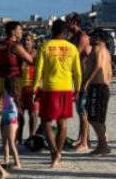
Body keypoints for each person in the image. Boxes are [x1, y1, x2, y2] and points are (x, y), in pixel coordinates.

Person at [33, 19, 82, 168]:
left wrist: (35, 87)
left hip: (49, 89)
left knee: (46, 122)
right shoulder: (72, 48)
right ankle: (58, 155)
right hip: (66, 89)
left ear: (52, 31)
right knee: (63, 122)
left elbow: (38, 70)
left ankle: (54, 152)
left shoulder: (45, 46)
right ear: (64, 32)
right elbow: (78, 72)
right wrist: (78, 89)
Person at [83, 29, 114, 157]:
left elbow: (97, 66)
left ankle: (103, 146)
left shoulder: (98, 50)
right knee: (97, 118)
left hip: (98, 87)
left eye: (92, 36)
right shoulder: (106, 50)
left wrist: (86, 83)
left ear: (98, 38)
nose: (89, 38)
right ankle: (102, 145)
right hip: (102, 87)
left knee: (94, 118)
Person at [0, 21, 33, 110]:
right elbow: (31, 60)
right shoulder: (15, 46)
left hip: (1, 80)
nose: (21, 31)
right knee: (14, 109)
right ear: (13, 32)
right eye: (19, 29)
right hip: (13, 82)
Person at [66, 13, 92, 153]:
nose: (65, 24)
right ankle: (82, 137)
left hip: (85, 77)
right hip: (77, 78)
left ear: (75, 22)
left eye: (68, 21)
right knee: (80, 109)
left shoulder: (82, 37)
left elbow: (73, 56)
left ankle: (84, 142)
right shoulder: (73, 38)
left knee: (83, 110)